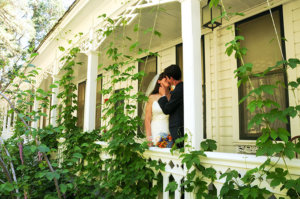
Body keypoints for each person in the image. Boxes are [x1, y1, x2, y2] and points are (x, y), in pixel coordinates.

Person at [158, 64, 184, 148]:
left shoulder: (179, 90)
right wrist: (166, 90)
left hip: (179, 130)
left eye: (167, 78)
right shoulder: (178, 89)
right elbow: (172, 102)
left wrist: (162, 96)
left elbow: (167, 109)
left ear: (171, 78)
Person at [144, 72, 173, 147]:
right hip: (155, 129)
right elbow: (147, 119)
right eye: (165, 77)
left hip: (169, 130)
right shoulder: (152, 97)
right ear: (159, 81)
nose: (167, 79)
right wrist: (149, 137)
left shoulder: (172, 97)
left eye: (169, 78)